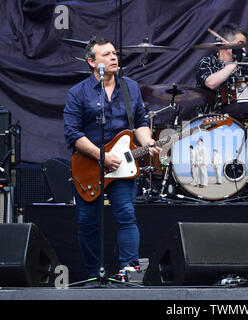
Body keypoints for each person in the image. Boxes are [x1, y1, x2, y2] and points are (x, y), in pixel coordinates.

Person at [63, 36, 161, 280]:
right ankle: (94, 273)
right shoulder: (78, 93)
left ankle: (129, 270)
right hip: (88, 163)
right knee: (88, 222)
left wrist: (147, 141)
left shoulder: (130, 87)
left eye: (114, 53)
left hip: (123, 165)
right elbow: (73, 134)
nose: (114, 57)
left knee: (126, 214)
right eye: (106, 54)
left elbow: (138, 122)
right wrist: (102, 156)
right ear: (92, 62)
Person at [195, 23, 248, 118]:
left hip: (236, 121)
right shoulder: (207, 62)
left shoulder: (242, 67)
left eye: (244, 46)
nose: (243, 49)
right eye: (240, 44)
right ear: (224, 43)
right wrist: (234, 64)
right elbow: (211, 83)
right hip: (209, 123)